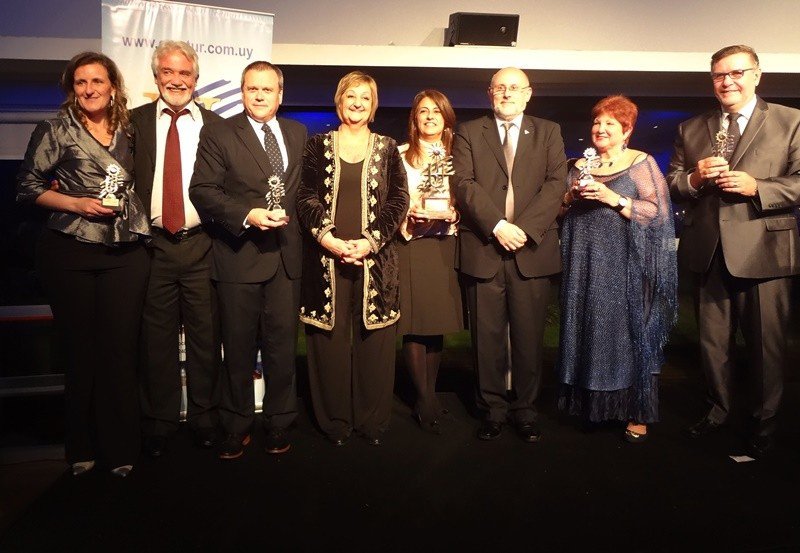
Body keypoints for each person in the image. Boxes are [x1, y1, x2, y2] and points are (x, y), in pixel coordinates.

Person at [16, 51, 150, 477]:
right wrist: (75, 203)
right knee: (81, 352)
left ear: (113, 86)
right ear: (71, 89)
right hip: (69, 250)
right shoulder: (54, 129)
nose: (89, 89)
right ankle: (81, 447)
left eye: (97, 81)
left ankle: (122, 448)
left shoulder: (132, 130)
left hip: (126, 252)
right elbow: (27, 187)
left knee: (120, 352)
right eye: (80, 83)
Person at [667, 45, 800, 457]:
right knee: (713, 343)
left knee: (766, 346)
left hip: (765, 250)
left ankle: (764, 418)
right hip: (708, 252)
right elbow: (672, 183)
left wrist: (758, 187)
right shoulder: (692, 128)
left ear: (757, 75)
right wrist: (693, 177)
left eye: (736, 73)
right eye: (719, 76)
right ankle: (718, 409)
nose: (727, 82)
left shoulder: (790, 121)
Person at [189, 61, 307, 459]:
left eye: (267, 89)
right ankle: (236, 423)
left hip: (287, 260)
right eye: (252, 89)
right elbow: (202, 191)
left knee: (282, 350)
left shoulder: (297, 132)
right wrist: (248, 214)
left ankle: (279, 421)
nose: (259, 96)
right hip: (239, 256)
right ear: (242, 92)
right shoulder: (219, 132)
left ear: (280, 94)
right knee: (237, 350)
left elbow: (306, 192)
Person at [452, 67, 566, 442]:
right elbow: (464, 184)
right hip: (485, 248)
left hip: (530, 250)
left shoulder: (548, 131)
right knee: (486, 338)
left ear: (528, 94)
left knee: (530, 336)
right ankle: (492, 409)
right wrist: (498, 226)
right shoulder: (469, 132)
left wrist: (524, 229)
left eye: (514, 87)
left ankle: (526, 410)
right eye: (500, 87)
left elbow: (555, 185)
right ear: (489, 93)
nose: (507, 93)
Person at [297, 71, 409, 446]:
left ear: (373, 105)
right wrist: (327, 237)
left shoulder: (388, 147)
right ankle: (334, 422)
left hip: (374, 261)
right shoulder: (318, 145)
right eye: (351, 96)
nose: (357, 102)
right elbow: (305, 197)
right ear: (339, 101)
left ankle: (372, 421)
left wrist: (369, 241)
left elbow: (398, 201)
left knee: (373, 341)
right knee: (326, 341)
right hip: (325, 258)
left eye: (365, 97)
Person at [558, 95, 678, 442]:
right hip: (583, 262)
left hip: (625, 265)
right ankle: (596, 408)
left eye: (610, 123)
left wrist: (615, 199)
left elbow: (658, 214)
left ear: (627, 130)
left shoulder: (641, 163)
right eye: (597, 122)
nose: (601, 128)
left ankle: (637, 412)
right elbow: (560, 212)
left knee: (627, 337)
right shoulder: (579, 165)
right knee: (589, 333)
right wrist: (570, 197)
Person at [131, 41, 223, 457]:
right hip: (153, 248)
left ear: (196, 79)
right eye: (169, 72)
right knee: (156, 340)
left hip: (203, 244)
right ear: (156, 77)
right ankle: (160, 421)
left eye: (185, 73)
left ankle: (204, 417)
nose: (177, 80)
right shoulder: (132, 123)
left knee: (205, 337)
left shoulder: (216, 125)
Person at [397, 89, 464, 433]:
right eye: (422, 111)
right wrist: (409, 217)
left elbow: (468, 196)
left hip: (443, 246)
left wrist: (454, 214)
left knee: (435, 324)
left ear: (446, 117)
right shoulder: (399, 155)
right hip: (412, 246)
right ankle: (422, 399)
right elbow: (390, 202)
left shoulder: (459, 155)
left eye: (436, 112)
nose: (429, 117)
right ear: (415, 118)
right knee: (414, 324)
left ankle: (431, 394)